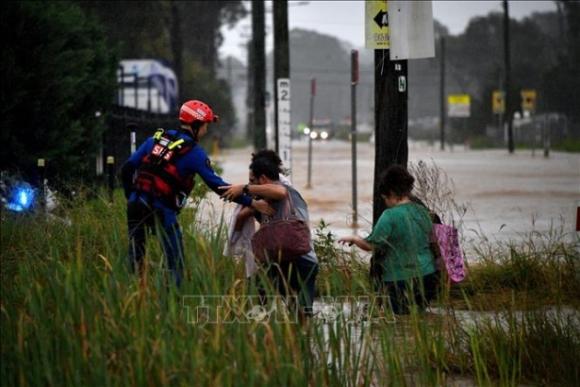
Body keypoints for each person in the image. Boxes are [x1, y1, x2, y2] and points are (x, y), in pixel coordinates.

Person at [121, 100, 273, 287]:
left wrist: (131, 197)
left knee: (135, 258)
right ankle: (172, 303)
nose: (206, 130)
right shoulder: (194, 152)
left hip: (135, 205)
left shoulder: (155, 140)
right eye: (206, 125)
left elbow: (127, 169)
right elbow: (218, 187)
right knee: (174, 263)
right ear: (196, 125)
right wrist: (252, 202)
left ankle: (131, 296)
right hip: (162, 211)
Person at [220, 150, 319, 318]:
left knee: (301, 312)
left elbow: (280, 192)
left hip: (302, 261)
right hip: (279, 261)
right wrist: (248, 209)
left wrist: (243, 188)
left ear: (263, 179)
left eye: (253, 180)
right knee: (258, 299)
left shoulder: (287, 190)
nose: (250, 185)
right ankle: (270, 338)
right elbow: (238, 225)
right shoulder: (261, 202)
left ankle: (302, 341)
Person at [339, 165, 438, 315]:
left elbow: (371, 245)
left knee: (399, 324)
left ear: (391, 193)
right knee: (417, 321)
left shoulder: (389, 216)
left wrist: (355, 238)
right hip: (428, 277)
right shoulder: (423, 212)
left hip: (400, 280)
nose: (385, 202)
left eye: (385, 198)